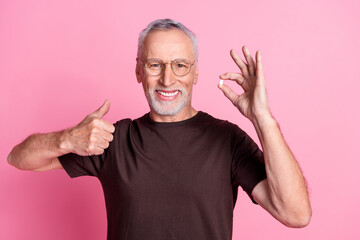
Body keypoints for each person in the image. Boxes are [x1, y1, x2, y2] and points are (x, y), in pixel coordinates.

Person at [8, 19, 312, 240]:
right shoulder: (113, 140)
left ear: (195, 73)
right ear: (139, 71)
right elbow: (19, 159)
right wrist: (67, 138)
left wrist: (263, 118)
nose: (168, 79)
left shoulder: (228, 140)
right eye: (155, 64)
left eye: (180, 65)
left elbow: (296, 214)